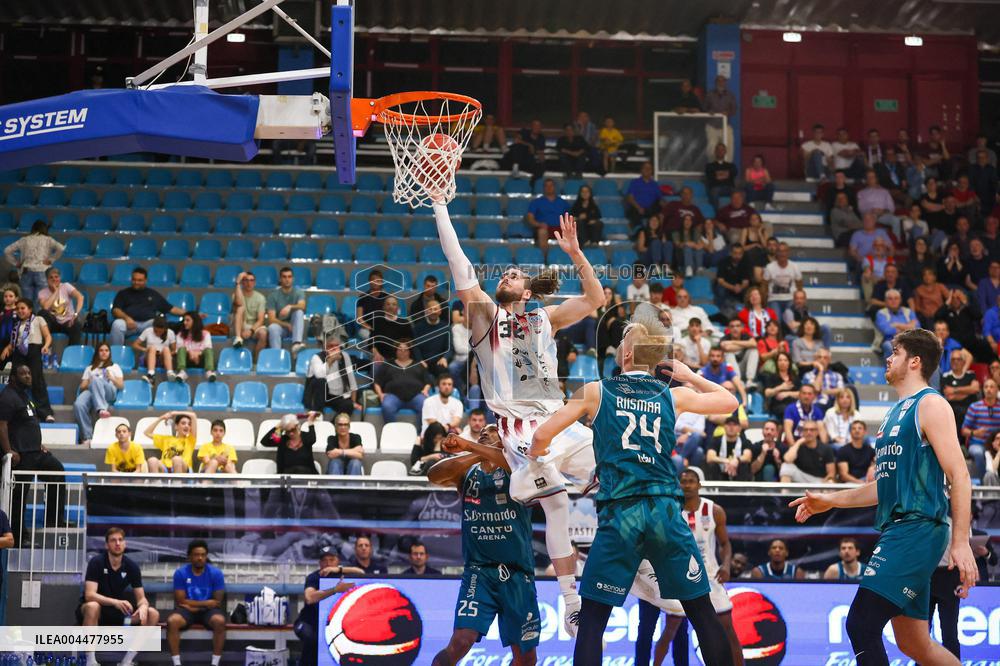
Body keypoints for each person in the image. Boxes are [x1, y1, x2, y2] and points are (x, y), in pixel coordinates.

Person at [431, 198, 603, 635]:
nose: (507, 273)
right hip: (520, 429)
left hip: (562, 421)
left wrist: (575, 254)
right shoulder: (487, 318)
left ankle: (640, 561)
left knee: (620, 474)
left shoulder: (545, 318)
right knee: (559, 504)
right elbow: (461, 267)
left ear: (527, 292)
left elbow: (595, 297)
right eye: (504, 272)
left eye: (516, 274)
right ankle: (570, 601)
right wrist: (440, 207)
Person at [530, 316, 739, 666]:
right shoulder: (675, 395)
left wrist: (536, 458)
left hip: (621, 513)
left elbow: (540, 437)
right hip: (665, 513)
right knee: (702, 612)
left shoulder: (595, 391)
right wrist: (688, 375)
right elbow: (729, 401)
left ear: (625, 355)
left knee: (594, 621)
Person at [791, 328, 977, 666]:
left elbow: (960, 475)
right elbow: (883, 487)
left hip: (917, 529)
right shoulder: (895, 412)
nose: (888, 358)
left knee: (861, 624)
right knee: (915, 644)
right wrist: (830, 500)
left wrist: (961, 541)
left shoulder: (931, 404)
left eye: (895, 352)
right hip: (900, 529)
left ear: (915, 361)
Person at [427, 426, 540, 665]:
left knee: (526, 657)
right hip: (479, 572)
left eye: (493, 430)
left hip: (516, 574)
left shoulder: (518, 467)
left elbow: (512, 463)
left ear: (506, 438)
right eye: (482, 431)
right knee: (460, 641)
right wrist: (479, 452)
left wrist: (479, 449)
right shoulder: (469, 471)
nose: (485, 432)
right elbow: (434, 475)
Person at [633, 468, 744, 666]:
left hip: (711, 577)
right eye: (683, 481)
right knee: (669, 632)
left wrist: (726, 565)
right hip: (680, 576)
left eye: (691, 481)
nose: (687, 485)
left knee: (728, 631)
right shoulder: (670, 510)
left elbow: (726, 544)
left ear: (699, 485)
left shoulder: (715, 510)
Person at [78, 527, 159, 666]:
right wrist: (115, 602)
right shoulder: (96, 562)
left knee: (152, 614)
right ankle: (90, 661)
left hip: (119, 614)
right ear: (106, 545)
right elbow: (89, 595)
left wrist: (144, 606)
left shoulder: (131, 566)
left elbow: (141, 598)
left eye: (120, 540)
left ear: (125, 544)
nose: (117, 543)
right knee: (92, 606)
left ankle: (126, 661)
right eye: (113, 540)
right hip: (96, 612)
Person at [0, 364, 65, 538]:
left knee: (57, 471)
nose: (28, 376)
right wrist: (9, 451)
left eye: (29, 373)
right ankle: (19, 535)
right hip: (21, 455)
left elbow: (28, 424)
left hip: (35, 451)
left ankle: (54, 521)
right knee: (20, 495)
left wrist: (39, 443)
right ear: (13, 377)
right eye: (23, 374)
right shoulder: (7, 396)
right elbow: (2, 425)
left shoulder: (24, 395)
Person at [293, 547, 360, 666]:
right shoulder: (314, 577)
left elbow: (361, 572)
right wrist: (334, 590)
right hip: (309, 622)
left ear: (337, 561)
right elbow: (310, 598)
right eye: (324, 560)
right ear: (319, 563)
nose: (328, 563)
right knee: (313, 639)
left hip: (335, 624)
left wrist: (338, 569)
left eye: (331, 559)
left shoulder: (343, 575)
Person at [166, 539, 227, 666]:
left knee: (220, 621)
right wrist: (204, 604)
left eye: (203, 555)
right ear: (189, 557)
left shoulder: (216, 573)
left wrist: (194, 606)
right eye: (196, 555)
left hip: (208, 612)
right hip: (187, 611)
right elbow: (181, 600)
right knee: (172, 621)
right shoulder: (180, 573)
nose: (200, 558)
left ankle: (215, 663)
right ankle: (177, 663)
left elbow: (217, 602)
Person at [1, 297, 53, 421]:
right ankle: (15, 409)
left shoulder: (38, 320)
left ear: (30, 309)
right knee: (15, 380)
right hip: (19, 353)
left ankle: (45, 413)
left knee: (37, 380)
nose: (20, 311)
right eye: (18, 309)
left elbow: (48, 336)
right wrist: (7, 348)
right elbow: (14, 342)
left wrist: (45, 346)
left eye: (23, 308)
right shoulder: (17, 324)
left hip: (34, 351)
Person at [109, 267, 184, 346]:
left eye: (139, 280)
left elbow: (171, 309)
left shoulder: (153, 294)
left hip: (148, 324)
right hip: (129, 323)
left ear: (145, 280)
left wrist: (190, 313)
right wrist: (127, 318)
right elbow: (116, 310)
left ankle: (158, 354)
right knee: (117, 324)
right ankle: (116, 353)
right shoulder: (123, 293)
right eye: (134, 279)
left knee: (158, 323)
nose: (136, 282)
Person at [75, 344, 125, 444]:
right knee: (79, 404)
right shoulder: (90, 368)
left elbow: (121, 385)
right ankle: (87, 437)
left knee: (97, 381)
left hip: (109, 391)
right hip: (92, 390)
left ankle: (101, 409)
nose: (104, 352)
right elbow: (82, 386)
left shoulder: (114, 367)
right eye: (101, 350)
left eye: (106, 350)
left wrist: (111, 377)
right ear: (97, 353)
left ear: (109, 353)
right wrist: (91, 379)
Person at [4, 221, 64, 303]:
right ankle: (38, 316)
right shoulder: (48, 240)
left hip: (26, 271)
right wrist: (51, 260)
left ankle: (28, 316)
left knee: (27, 302)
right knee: (40, 301)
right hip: (42, 271)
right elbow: (61, 248)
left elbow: (7, 251)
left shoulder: (25, 239)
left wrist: (16, 263)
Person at [374, 340, 433, 424]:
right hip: (393, 396)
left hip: (415, 396)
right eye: (400, 349)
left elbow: (428, 381)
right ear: (396, 351)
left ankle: (420, 434)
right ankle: (392, 432)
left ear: (409, 351)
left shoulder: (419, 365)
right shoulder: (387, 364)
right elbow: (377, 382)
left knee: (425, 404)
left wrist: (425, 390)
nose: (402, 352)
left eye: (405, 349)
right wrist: (380, 394)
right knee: (387, 406)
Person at [304, 336, 360, 416]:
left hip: (336, 396)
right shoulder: (316, 357)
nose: (334, 348)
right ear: (325, 347)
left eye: (336, 346)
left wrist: (353, 402)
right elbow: (320, 375)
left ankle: (333, 426)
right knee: (321, 382)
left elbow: (351, 379)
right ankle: (317, 416)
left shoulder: (345, 356)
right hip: (318, 396)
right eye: (331, 346)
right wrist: (331, 360)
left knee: (348, 406)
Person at [960, 378, 1000, 480]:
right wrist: (974, 433)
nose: (988, 389)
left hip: (996, 444)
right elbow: (963, 430)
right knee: (978, 453)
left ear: (997, 390)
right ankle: (984, 481)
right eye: (986, 387)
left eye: (991, 387)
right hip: (977, 444)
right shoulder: (975, 407)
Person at [36, 265, 84, 345]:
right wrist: (56, 291)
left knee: (76, 325)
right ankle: (45, 348)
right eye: (51, 277)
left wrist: (76, 314)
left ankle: (72, 353)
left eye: (56, 277)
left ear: (60, 278)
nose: (54, 279)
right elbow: (45, 307)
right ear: (47, 280)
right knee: (42, 313)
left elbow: (80, 297)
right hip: (53, 323)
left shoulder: (66, 286)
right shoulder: (42, 292)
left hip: (68, 322)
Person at [266, 266, 306, 353]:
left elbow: (302, 306)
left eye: (289, 277)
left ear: (293, 279)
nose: (287, 279)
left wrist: (290, 306)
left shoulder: (299, 292)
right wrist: (286, 325)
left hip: (295, 326)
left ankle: (296, 344)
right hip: (281, 327)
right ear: (280, 279)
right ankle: (276, 355)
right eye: (284, 277)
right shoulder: (273, 296)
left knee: (299, 312)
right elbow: (271, 319)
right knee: (272, 327)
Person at [230, 271, 268, 357]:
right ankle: (238, 338)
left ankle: (256, 363)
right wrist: (237, 283)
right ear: (242, 282)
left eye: (251, 280)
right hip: (240, 325)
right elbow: (238, 303)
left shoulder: (261, 298)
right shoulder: (236, 294)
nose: (249, 283)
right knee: (240, 308)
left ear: (254, 282)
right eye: (246, 280)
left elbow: (261, 320)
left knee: (263, 334)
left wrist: (251, 331)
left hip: (254, 326)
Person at [525, 178, 570, 248]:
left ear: (554, 187)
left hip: (560, 228)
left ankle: (569, 257)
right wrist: (539, 224)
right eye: (546, 186)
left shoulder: (563, 203)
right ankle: (545, 258)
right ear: (543, 188)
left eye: (551, 185)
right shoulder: (536, 202)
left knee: (572, 232)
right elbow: (530, 218)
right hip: (545, 228)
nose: (549, 188)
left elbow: (570, 217)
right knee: (542, 232)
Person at [763, 242, 803, 321]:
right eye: (780, 251)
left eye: (785, 251)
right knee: (776, 320)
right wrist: (764, 301)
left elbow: (799, 285)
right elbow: (764, 285)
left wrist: (799, 300)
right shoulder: (769, 267)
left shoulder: (795, 266)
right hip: (774, 299)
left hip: (790, 298)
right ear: (776, 253)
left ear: (788, 253)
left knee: (790, 320)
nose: (782, 254)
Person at [704, 416, 753, 481]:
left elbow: (747, 457)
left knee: (744, 465)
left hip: (737, 472)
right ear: (724, 427)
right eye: (729, 424)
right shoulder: (716, 440)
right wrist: (728, 461)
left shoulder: (745, 441)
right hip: (721, 472)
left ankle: (742, 490)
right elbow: (710, 457)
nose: (731, 427)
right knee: (712, 465)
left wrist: (736, 460)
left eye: (734, 425)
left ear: (739, 428)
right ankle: (714, 489)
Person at [132, 315, 176, 383]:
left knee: (166, 349)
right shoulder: (147, 331)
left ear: (165, 329)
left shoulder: (170, 333)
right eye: (156, 331)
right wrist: (145, 349)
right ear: (153, 327)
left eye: (160, 332)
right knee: (152, 348)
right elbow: (135, 344)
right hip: (149, 356)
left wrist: (164, 353)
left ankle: (170, 373)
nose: (158, 333)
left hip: (162, 358)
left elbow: (174, 350)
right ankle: (151, 375)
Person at [875, 289, 919, 359]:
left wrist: (897, 325)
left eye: (896, 298)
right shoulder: (881, 313)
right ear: (886, 301)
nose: (893, 301)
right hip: (890, 341)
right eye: (890, 299)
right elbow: (887, 331)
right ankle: (891, 369)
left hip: (909, 341)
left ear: (900, 300)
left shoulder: (909, 312)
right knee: (889, 346)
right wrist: (909, 327)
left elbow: (917, 329)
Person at [501, 119, 546, 183]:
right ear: (531, 126)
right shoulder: (524, 132)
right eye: (535, 125)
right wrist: (529, 145)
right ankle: (515, 167)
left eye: (538, 126)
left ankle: (532, 185)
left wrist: (542, 160)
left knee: (541, 167)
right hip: (514, 158)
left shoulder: (541, 138)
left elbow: (540, 152)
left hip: (527, 160)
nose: (536, 127)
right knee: (518, 146)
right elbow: (516, 141)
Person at [176, 311, 215, 383]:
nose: (185, 323)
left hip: (200, 360)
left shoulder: (205, 334)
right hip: (187, 359)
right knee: (181, 350)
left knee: (208, 350)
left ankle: (209, 372)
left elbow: (207, 346)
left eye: (187, 320)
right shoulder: (180, 335)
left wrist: (197, 354)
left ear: (195, 321)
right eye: (184, 320)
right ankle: (182, 372)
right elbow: (179, 347)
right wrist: (190, 353)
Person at [625, 162, 663, 232]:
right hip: (636, 208)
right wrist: (638, 207)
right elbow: (629, 198)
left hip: (650, 210)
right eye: (645, 168)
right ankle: (638, 233)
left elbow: (660, 199)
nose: (647, 170)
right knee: (633, 213)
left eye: (649, 169)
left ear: (652, 171)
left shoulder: (655, 184)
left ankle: (656, 234)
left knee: (660, 212)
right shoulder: (635, 182)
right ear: (641, 170)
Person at [705, 142, 737, 210]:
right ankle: (717, 214)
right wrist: (725, 174)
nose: (720, 151)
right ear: (715, 152)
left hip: (729, 187)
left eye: (722, 150)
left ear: (725, 152)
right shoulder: (710, 166)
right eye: (718, 150)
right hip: (716, 188)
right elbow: (711, 177)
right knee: (714, 192)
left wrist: (718, 174)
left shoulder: (731, 165)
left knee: (738, 193)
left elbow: (734, 174)